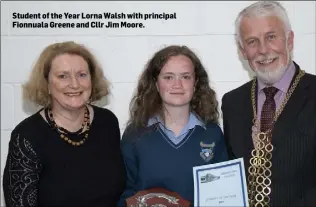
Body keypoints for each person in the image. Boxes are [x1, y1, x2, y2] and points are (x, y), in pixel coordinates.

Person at [2, 41, 126, 207]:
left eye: (82, 74)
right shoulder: (27, 135)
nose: (74, 84)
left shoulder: (107, 122)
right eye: (63, 76)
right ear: (46, 84)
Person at [221, 1, 316, 206]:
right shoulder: (232, 103)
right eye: (252, 41)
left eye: (271, 37)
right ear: (242, 50)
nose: (263, 50)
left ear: (289, 40)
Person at [117, 45, 228, 206]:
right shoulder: (135, 134)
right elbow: (125, 192)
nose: (177, 85)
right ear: (155, 83)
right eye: (168, 77)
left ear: (195, 83)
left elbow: (222, 192)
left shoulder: (212, 133)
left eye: (185, 77)